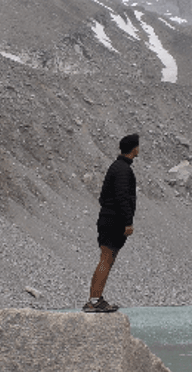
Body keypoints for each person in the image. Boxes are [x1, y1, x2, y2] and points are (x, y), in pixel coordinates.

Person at [84, 133, 139, 313]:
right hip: (113, 222)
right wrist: (127, 222)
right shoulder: (123, 170)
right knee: (106, 259)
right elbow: (122, 197)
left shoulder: (115, 167)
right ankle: (94, 300)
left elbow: (102, 198)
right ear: (134, 149)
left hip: (107, 219)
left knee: (106, 259)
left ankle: (95, 298)